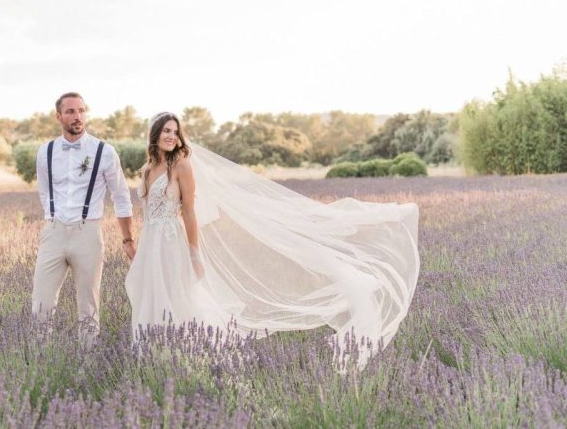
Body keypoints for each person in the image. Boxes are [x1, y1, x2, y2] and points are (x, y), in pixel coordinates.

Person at [125, 112, 420, 369]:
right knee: (151, 291)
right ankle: (152, 352)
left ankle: (185, 351)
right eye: (166, 131)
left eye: (176, 132)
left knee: (178, 294)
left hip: (172, 243)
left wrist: (194, 254)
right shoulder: (148, 169)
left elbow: (189, 212)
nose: (172, 136)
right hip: (151, 244)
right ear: (155, 134)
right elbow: (149, 213)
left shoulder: (182, 166)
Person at [32, 92, 135, 346]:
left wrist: (128, 239)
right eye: (70, 112)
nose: (77, 116)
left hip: (88, 232)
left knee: (88, 306)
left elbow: (121, 197)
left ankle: (87, 366)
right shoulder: (45, 152)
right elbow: (44, 193)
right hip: (53, 232)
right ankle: (40, 362)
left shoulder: (105, 152)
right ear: (59, 116)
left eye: (81, 110)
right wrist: (52, 220)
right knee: (40, 304)